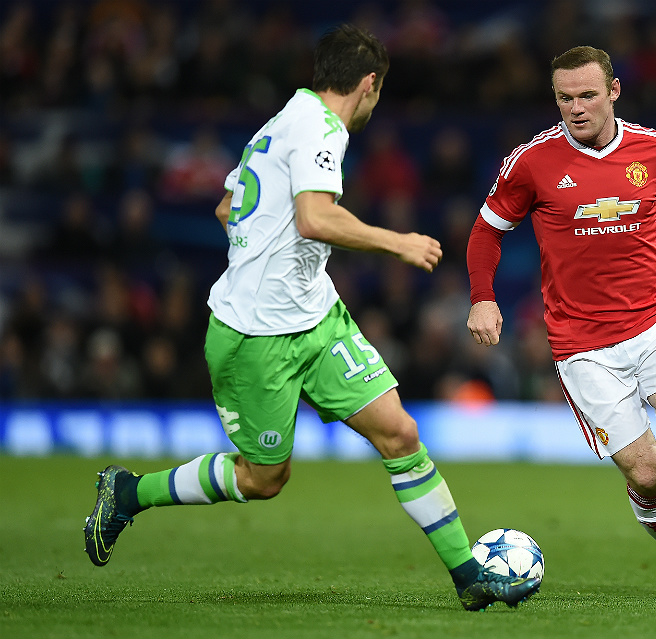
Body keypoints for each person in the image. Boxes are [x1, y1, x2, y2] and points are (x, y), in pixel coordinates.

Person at [83, 24, 539, 612]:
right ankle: (130, 493)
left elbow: (228, 207)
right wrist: (396, 242)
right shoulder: (321, 129)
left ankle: (468, 575)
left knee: (399, 433)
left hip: (317, 317)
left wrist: (270, 259)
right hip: (255, 337)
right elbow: (314, 220)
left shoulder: (282, 122)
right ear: (369, 84)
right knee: (263, 478)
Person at [466, 46, 656, 600]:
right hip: (582, 347)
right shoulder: (531, 162)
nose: (576, 107)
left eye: (588, 95)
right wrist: (482, 297)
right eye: (565, 97)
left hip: (655, 322)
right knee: (644, 473)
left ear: (614, 92)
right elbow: (486, 230)